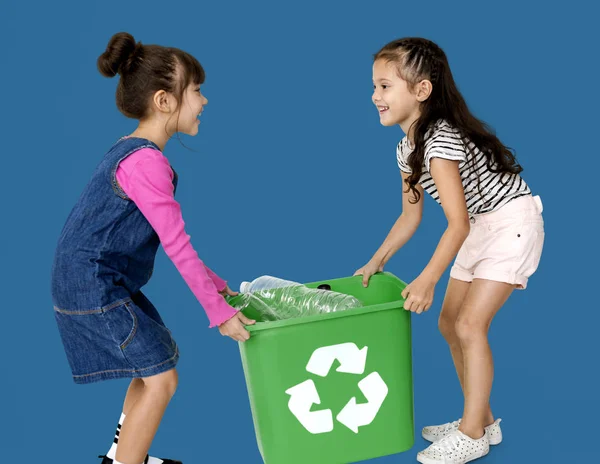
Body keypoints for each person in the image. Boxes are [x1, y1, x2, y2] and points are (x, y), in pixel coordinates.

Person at [50, 32, 254, 464]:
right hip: (94, 286)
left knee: (151, 369)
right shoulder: (147, 163)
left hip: (99, 281)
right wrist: (219, 314)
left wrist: (219, 288)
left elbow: (174, 244)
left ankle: (120, 454)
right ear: (164, 100)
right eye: (196, 90)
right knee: (163, 381)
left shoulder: (132, 152)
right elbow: (178, 246)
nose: (203, 101)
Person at [354, 37, 544, 464]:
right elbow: (410, 217)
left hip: (511, 222)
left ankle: (471, 433)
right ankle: (481, 419)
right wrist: (377, 261)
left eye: (385, 87)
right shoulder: (407, 148)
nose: (375, 96)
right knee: (448, 323)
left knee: (469, 325)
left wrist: (427, 278)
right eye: (374, 86)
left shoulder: (439, 139)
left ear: (421, 91)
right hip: (480, 226)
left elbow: (455, 223)